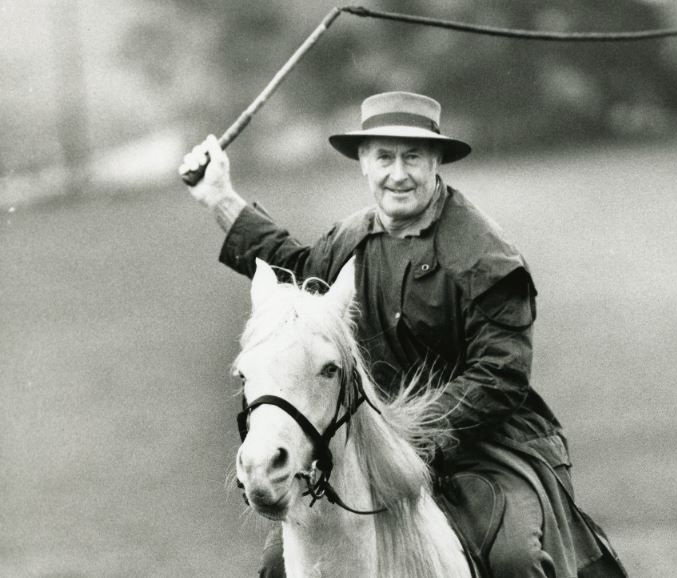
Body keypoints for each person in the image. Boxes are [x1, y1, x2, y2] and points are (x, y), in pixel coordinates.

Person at [181, 91, 627, 578]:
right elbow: (298, 271)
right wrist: (220, 197)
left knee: (515, 560)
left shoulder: (486, 257)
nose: (399, 174)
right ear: (364, 165)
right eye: (385, 158)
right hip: (376, 448)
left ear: (436, 161)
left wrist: (406, 431)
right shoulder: (350, 240)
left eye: (413, 157)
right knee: (277, 563)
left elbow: (500, 376)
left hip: (490, 449)